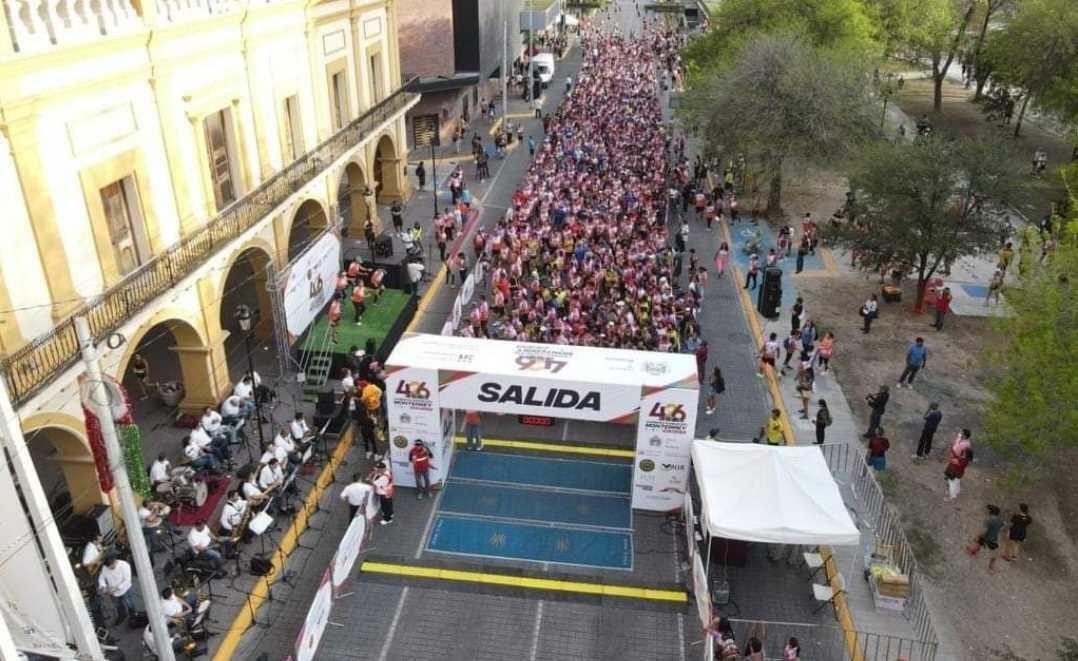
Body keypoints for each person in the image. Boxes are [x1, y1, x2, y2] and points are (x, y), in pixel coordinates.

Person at [966, 504, 1004, 573]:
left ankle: (972, 551)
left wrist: (977, 536)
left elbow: (984, 531)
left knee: (980, 543)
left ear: (990, 512)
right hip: (993, 539)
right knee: (994, 553)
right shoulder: (1000, 521)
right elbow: (1000, 529)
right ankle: (991, 568)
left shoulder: (988, 520)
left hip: (986, 537)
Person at [97, 555, 135, 625]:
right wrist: (102, 586)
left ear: (115, 562)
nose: (110, 569)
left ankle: (133, 615)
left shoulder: (124, 565)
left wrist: (117, 588)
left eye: (112, 567)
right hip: (113, 592)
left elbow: (127, 580)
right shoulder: (105, 567)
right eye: (109, 567)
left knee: (129, 602)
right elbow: (101, 577)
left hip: (125, 589)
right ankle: (122, 615)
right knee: (118, 605)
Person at [944, 431, 974, 501]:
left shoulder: (962, 459)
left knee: (952, 484)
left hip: (954, 472)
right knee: (957, 482)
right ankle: (956, 492)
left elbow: (953, 460)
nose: (962, 452)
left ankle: (951, 496)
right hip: (959, 473)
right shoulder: (965, 459)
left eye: (963, 452)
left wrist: (953, 453)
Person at [219, 491, 246, 559]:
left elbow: (240, 508)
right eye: (236, 496)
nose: (238, 497)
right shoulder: (227, 508)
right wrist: (231, 528)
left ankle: (234, 549)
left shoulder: (235, 502)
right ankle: (228, 555)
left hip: (238, 525)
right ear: (231, 498)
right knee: (230, 542)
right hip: (232, 528)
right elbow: (223, 521)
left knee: (235, 540)